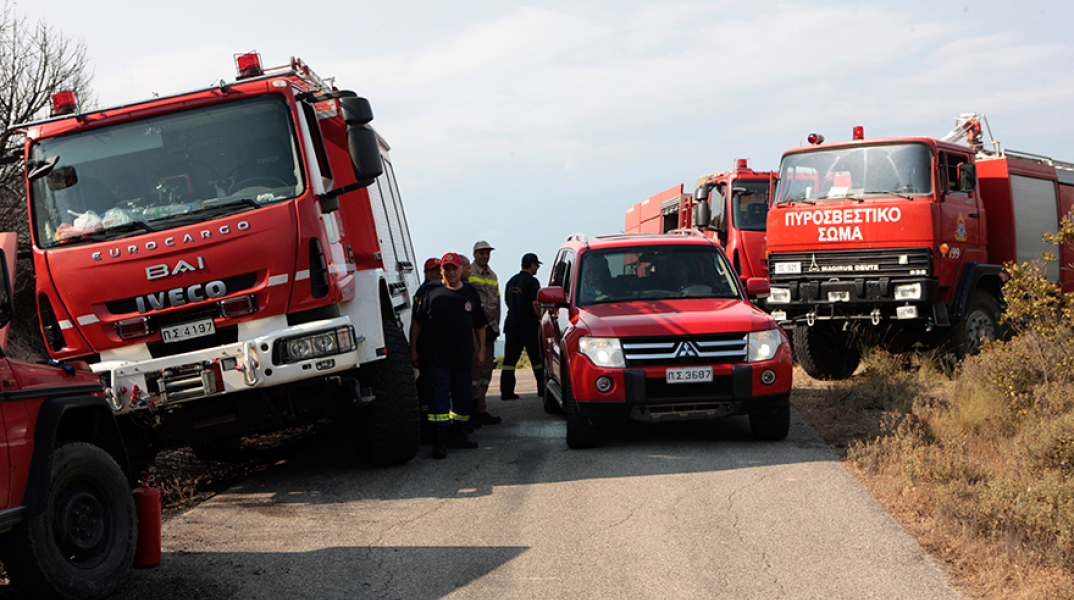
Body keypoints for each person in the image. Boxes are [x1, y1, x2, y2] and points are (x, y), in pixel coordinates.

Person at [409, 252, 488, 459]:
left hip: (462, 357)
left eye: (454, 268)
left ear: (461, 270)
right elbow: (416, 323)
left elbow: (480, 324)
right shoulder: (428, 291)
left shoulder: (470, 291)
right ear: (442, 271)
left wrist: (482, 350)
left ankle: (458, 435)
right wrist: (414, 349)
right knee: (438, 399)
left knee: (462, 399)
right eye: (447, 269)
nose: (451, 272)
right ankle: (439, 441)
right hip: (436, 357)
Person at [500, 253, 545, 400]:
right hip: (528, 326)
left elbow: (507, 302)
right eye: (537, 266)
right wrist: (541, 318)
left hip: (512, 325)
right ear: (532, 265)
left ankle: (506, 391)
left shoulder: (511, 281)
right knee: (536, 359)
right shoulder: (533, 282)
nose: (537, 269)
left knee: (509, 361)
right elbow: (535, 304)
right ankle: (542, 389)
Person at [469, 241, 502, 425]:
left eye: (487, 253)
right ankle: (471, 410)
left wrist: (496, 326)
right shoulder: (469, 274)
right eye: (481, 253)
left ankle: (481, 409)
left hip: (490, 329)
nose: (485, 256)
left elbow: (497, 302)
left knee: (486, 370)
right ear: (475, 254)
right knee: (475, 370)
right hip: (474, 330)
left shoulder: (493, 275)